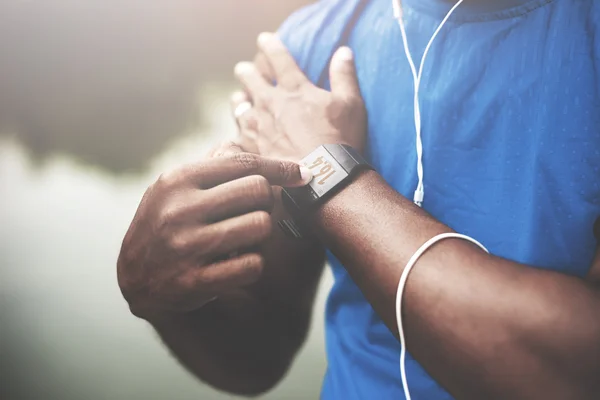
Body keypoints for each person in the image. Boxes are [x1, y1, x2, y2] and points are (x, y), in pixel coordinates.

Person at [117, 0, 600, 398]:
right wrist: (166, 296)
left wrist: (330, 179)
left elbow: (575, 374)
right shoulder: (313, 47)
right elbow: (259, 358)